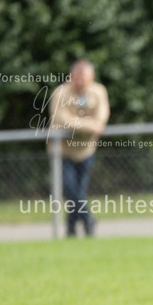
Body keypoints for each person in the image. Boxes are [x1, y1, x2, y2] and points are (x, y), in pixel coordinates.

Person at [49, 59, 109, 237]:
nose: (80, 80)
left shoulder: (99, 91)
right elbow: (62, 119)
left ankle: (71, 230)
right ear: (71, 76)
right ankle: (88, 219)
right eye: (77, 76)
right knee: (69, 188)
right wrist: (90, 126)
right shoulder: (61, 93)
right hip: (63, 150)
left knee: (79, 192)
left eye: (84, 77)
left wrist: (88, 124)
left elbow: (102, 116)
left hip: (86, 149)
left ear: (92, 77)